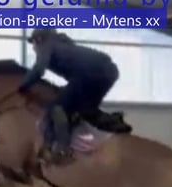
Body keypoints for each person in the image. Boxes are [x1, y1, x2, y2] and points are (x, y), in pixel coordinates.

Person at [17, 28, 126, 163]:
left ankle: (63, 149)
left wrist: (22, 86)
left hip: (88, 75)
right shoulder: (64, 46)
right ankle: (115, 123)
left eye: (33, 43)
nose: (33, 48)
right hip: (108, 72)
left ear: (39, 40)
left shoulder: (47, 45)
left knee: (57, 107)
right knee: (85, 109)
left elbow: (38, 69)